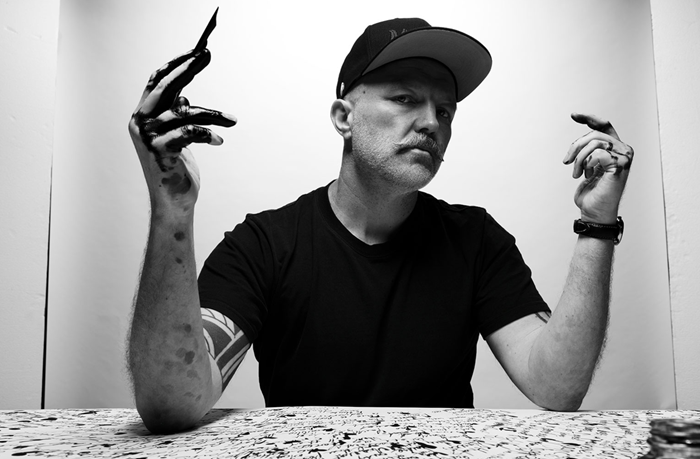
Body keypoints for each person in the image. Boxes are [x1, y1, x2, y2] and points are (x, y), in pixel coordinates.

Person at [127, 17, 633, 434]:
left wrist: (597, 222)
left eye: (444, 110)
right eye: (405, 99)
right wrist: (172, 209)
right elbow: (173, 404)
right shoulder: (262, 246)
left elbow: (556, 386)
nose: (431, 123)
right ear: (343, 117)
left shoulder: (475, 240)